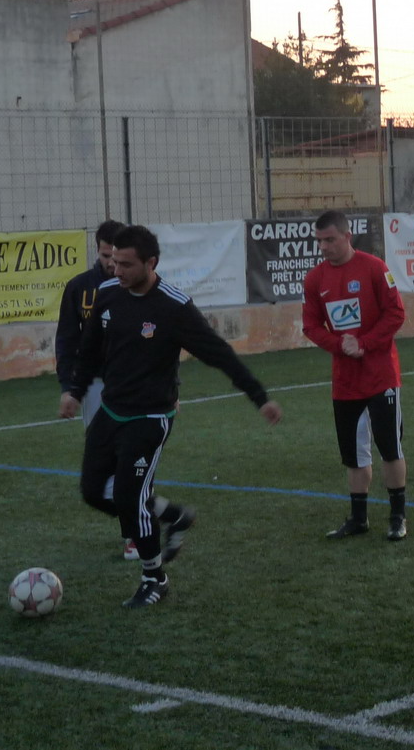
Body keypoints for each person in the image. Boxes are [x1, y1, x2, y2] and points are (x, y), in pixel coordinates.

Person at [60, 224, 282, 608]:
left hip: (150, 417)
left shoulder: (173, 306)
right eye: (113, 261)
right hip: (111, 410)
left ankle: (154, 578)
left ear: (151, 263)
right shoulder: (109, 294)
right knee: (93, 492)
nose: (117, 271)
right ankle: (173, 515)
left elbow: (218, 353)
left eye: (127, 264)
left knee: (130, 497)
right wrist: (75, 391)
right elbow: (91, 349)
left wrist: (258, 396)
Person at [302, 210, 408, 541]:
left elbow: (396, 313)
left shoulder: (375, 268)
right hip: (345, 382)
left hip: (380, 377)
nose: (323, 247)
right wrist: (339, 345)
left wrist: (364, 344)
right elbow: (310, 325)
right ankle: (359, 518)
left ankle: (397, 517)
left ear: (348, 237)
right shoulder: (314, 279)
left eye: (330, 240)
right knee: (353, 453)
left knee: (389, 448)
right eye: (319, 241)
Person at [55, 218, 138, 560]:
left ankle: (133, 533)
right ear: (99, 250)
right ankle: (137, 518)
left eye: (116, 257)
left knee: (132, 457)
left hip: (133, 383)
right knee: (103, 459)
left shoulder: (137, 287)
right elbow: (67, 340)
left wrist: (169, 387)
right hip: (93, 386)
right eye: (106, 255)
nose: (110, 263)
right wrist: (69, 388)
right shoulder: (79, 288)